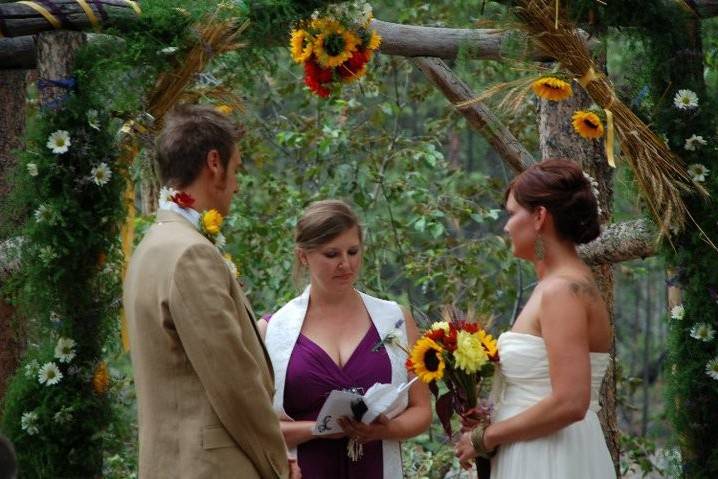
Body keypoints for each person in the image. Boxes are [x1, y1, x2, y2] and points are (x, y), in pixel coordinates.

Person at [123, 105, 297, 478]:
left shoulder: (149, 247)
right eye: (236, 170)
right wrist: (278, 464)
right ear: (214, 163)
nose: (236, 184)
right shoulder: (191, 255)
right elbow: (234, 383)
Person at [455, 159, 616, 478]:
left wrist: (484, 438)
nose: (506, 226)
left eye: (512, 214)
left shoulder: (562, 291)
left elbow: (570, 402)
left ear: (539, 216)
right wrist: (492, 416)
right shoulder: (556, 286)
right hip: (533, 449)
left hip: (551, 457)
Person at [257, 199, 432, 478]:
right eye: (331, 254)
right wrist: (316, 429)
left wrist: (384, 430)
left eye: (353, 251)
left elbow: (421, 410)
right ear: (303, 256)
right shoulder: (273, 331)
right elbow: (255, 428)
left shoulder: (395, 320)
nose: (345, 264)